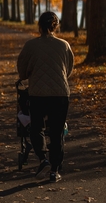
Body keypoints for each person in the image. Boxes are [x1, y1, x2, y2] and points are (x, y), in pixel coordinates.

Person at [17, 11, 74, 182]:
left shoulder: (30, 46)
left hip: (38, 94)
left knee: (36, 129)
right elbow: (68, 70)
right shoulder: (64, 45)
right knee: (57, 132)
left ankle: (43, 160)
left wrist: (29, 74)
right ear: (55, 26)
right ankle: (55, 170)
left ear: (39, 26)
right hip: (60, 94)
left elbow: (23, 71)